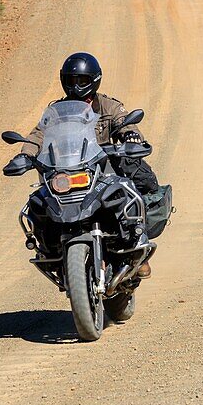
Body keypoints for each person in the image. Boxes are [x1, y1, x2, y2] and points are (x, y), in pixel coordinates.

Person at [21, 52, 159, 276]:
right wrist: (25, 154)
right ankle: (48, 248)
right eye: (72, 81)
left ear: (94, 81)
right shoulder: (55, 111)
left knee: (130, 189)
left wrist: (131, 136)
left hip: (102, 168)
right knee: (38, 203)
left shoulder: (107, 105)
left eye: (82, 81)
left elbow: (124, 122)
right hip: (66, 170)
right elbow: (38, 135)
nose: (76, 86)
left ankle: (138, 245)